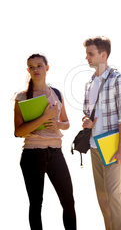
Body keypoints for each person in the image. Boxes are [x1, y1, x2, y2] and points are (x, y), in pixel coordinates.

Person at [14, 53, 76, 230]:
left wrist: (57, 123)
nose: (36, 70)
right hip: (33, 153)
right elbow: (18, 132)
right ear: (28, 70)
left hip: (56, 153)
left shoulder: (56, 93)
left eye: (39, 66)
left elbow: (67, 123)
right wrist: (44, 118)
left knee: (68, 201)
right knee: (36, 204)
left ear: (47, 68)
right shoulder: (22, 97)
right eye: (32, 67)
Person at [82, 36, 121, 230]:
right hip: (94, 145)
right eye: (87, 54)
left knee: (114, 195)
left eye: (90, 54)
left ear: (103, 55)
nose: (87, 57)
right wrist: (87, 122)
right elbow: (88, 114)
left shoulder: (119, 79)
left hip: (111, 145)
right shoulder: (89, 82)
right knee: (102, 196)